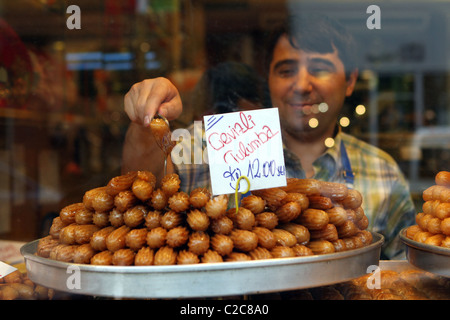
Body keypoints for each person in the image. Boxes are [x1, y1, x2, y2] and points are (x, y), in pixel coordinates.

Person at [122, 14, 416, 259]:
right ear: (269, 80)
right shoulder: (220, 143)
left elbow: (401, 274)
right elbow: (146, 193)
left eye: (319, 69)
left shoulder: (383, 172)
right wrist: (146, 119)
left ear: (350, 80)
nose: (301, 85)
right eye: (286, 71)